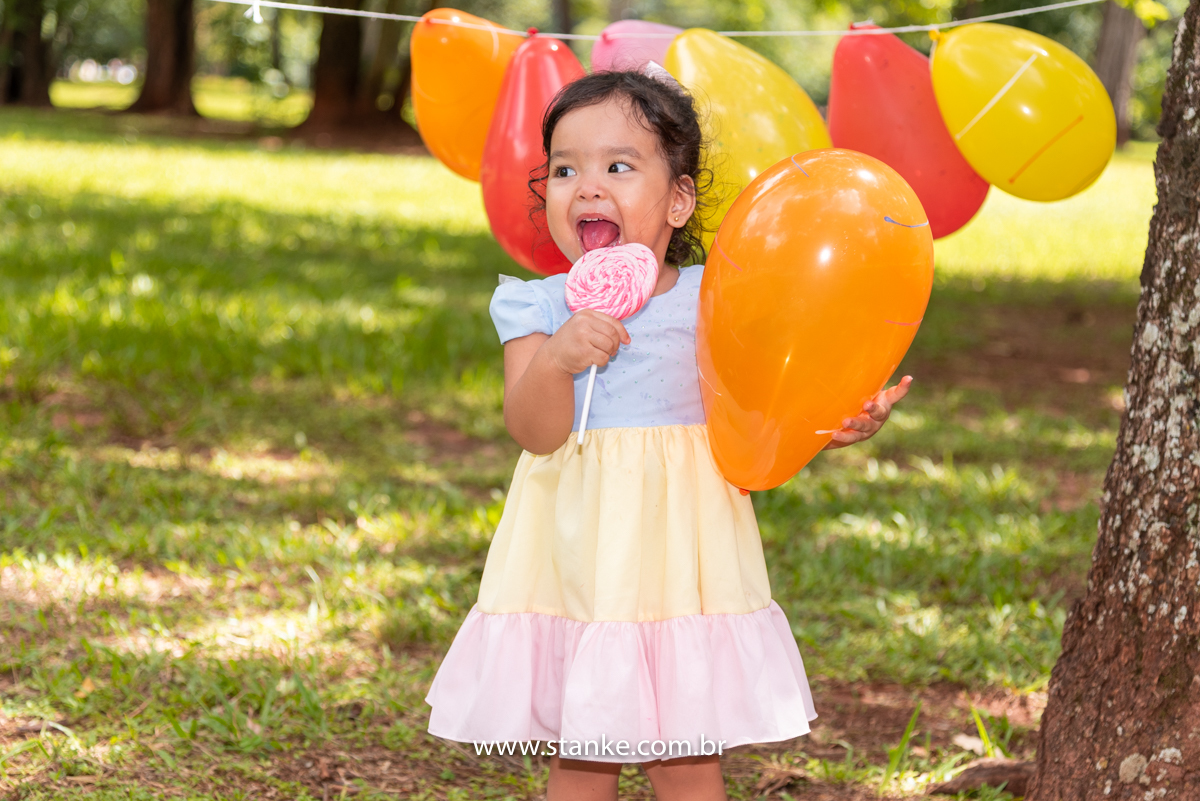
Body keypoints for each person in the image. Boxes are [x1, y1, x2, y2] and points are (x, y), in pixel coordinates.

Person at [425, 67, 911, 801]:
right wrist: (558, 358)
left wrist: (832, 422)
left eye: (618, 166)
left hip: (684, 548)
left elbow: (755, 407)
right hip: (579, 548)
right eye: (565, 169)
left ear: (678, 199)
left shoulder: (717, 297)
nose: (587, 186)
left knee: (685, 746)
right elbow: (533, 432)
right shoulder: (536, 304)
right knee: (582, 747)